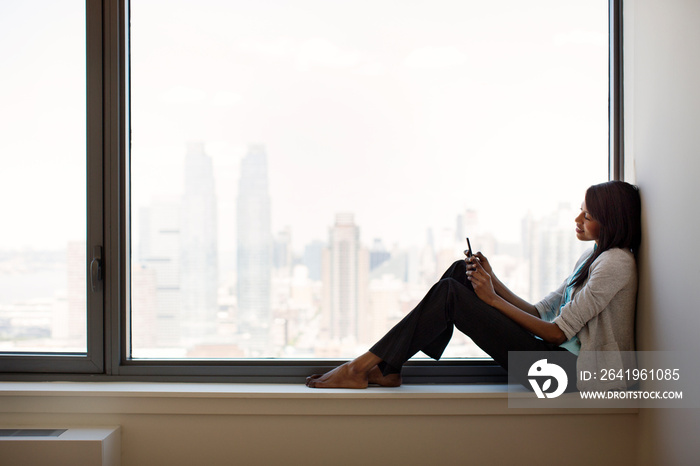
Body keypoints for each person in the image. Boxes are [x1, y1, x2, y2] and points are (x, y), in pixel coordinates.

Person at [306, 180, 642, 392]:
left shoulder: (616, 264)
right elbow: (540, 311)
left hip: (570, 376)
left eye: (587, 215)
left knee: (452, 294)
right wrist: (492, 280)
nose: (577, 220)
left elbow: (555, 333)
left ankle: (362, 367)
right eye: (580, 212)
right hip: (555, 360)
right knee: (458, 273)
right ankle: (388, 368)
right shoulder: (593, 256)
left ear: (611, 220)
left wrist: (492, 300)